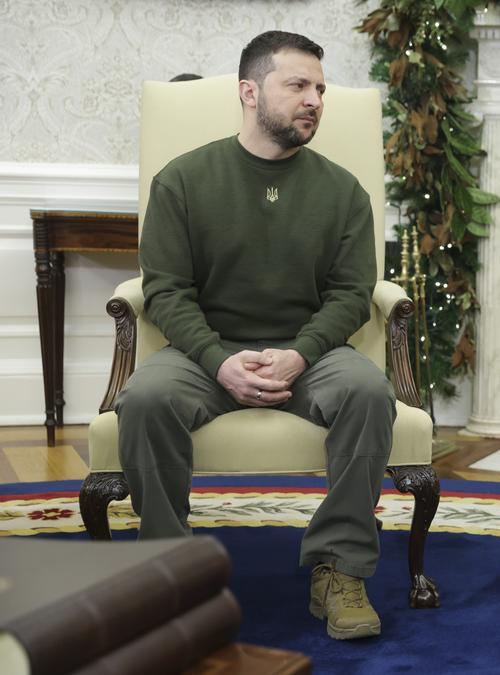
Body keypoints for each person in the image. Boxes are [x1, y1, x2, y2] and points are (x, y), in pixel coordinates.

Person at [116, 30, 393, 641]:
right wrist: (219, 361)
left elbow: (351, 293)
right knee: (144, 398)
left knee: (369, 391)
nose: (314, 100)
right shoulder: (183, 180)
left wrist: (298, 356)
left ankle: (340, 569)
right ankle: (169, 571)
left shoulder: (342, 191)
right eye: (297, 85)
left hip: (308, 354)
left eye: (320, 88)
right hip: (205, 354)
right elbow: (165, 290)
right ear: (249, 92)